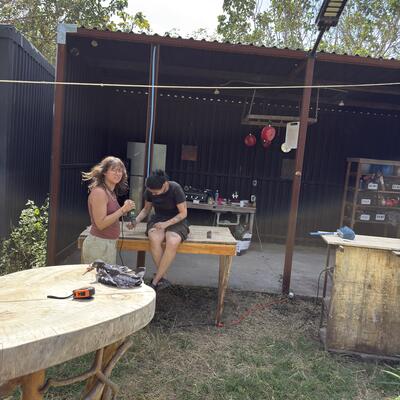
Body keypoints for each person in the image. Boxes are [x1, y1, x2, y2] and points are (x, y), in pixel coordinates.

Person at [133, 170, 189, 291]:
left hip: (177, 219)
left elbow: (183, 213)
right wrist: (136, 220)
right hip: (158, 218)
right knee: (154, 238)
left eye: (155, 192)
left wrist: (166, 224)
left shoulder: (175, 188)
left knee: (172, 240)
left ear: (165, 184)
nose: (153, 194)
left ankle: (155, 281)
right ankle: (163, 278)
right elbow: (146, 209)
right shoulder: (150, 190)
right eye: (151, 192)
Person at [81, 156, 135, 265]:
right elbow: (100, 224)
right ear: (104, 172)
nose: (117, 173)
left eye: (120, 171)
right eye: (113, 170)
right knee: (96, 276)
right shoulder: (99, 192)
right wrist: (122, 210)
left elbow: (112, 215)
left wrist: (125, 209)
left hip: (108, 244)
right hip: (98, 244)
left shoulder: (110, 192)